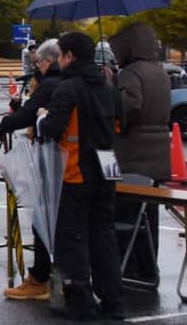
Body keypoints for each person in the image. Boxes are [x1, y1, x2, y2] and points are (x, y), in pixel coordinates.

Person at [38, 31, 124, 321]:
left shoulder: (68, 88)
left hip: (76, 170)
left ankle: (80, 302)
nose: (59, 59)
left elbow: (53, 128)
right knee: (104, 235)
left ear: (70, 56)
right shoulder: (109, 86)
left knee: (72, 238)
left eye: (61, 54)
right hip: (108, 167)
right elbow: (120, 123)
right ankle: (112, 300)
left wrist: (41, 118)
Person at [0, 39, 62, 301]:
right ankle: (69, 277)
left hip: (55, 159)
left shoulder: (53, 84)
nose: (38, 67)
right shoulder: (89, 82)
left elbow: (30, 114)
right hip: (87, 163)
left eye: (39, 63)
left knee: (43, 219)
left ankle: (40, 278)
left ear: (48, 61)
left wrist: (6, 124)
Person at [111, 22, 171, 284]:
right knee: (148, 217)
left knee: (125, 216)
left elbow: (128, 107)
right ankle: (149, 268)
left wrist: (113, 95)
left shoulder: (131, 73)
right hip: (158, 154)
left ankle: (129, 268)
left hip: (131, 154)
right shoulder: (160, 73)